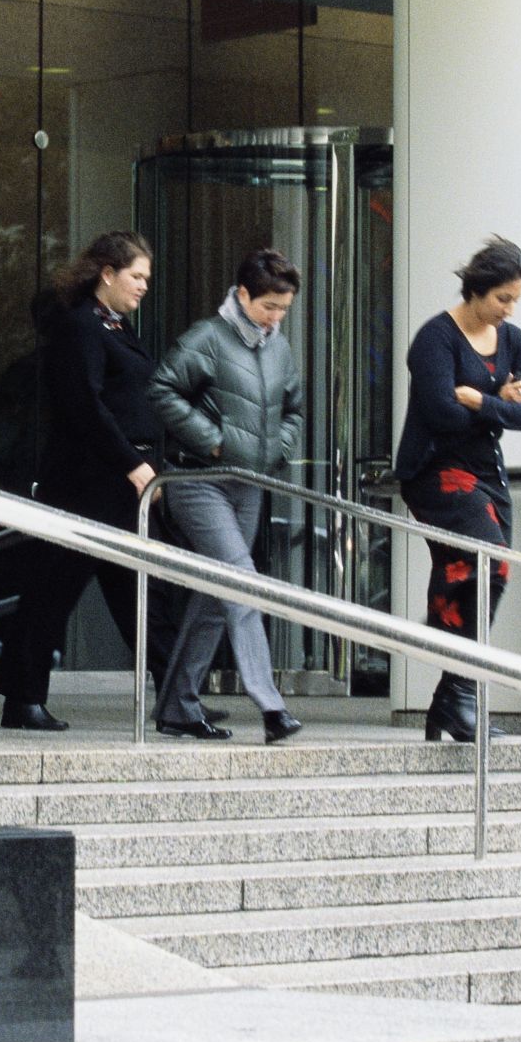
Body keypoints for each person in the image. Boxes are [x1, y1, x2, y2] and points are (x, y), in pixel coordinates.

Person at [0, 230, 174, 731]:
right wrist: (131, 463)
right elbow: (85, 406)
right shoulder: (82, 327)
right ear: (107, 274)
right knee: (56, 589)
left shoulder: (111, 325)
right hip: (87, 484)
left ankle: (176, 692)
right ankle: (23, 698)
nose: (143, 287)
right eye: (137, 276)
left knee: (141, 590)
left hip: (114, 484)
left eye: (147, 279)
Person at [148, 248, 306, 745]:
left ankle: (177, 708)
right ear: (242, 295)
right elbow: (161, 389)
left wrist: (277, 448)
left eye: (284, 308)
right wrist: (213, 440)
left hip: (249, 486)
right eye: (268, 307)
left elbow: (294, 409)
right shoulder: (208, 338)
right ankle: (271, 706)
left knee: (219, 595)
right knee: (241, 582)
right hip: (198, 482)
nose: (276, 318)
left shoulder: (279, 347)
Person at [393, 236, 521, 743]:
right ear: (476, 291)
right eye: (502, 298)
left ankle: (450, 704)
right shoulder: (436, 339)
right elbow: (441, 415)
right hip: (436, 472)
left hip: (488, 476)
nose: (509, 309)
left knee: (474, 576)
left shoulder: (512, 340)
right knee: (487, 562)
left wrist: (481, 398)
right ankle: (463, 697)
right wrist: (496, 401)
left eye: (515, 299)